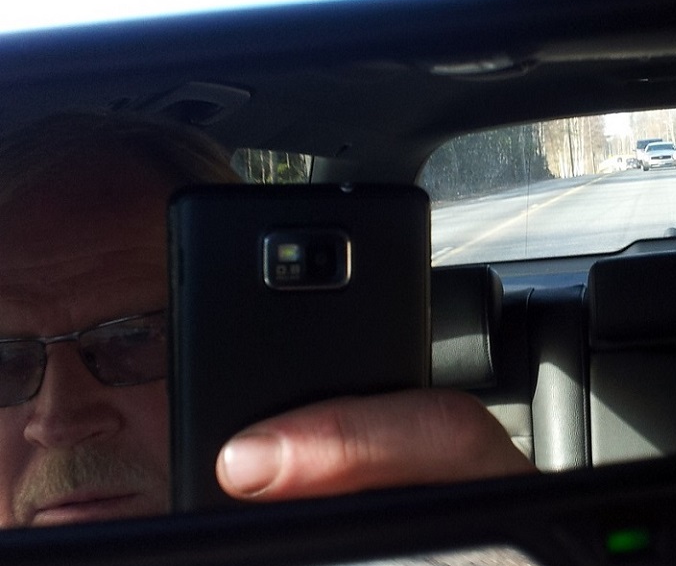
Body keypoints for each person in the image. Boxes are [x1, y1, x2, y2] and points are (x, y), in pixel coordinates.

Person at [0, 114, 531, 528]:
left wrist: (507, 543)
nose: (59, 422)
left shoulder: (356, 530)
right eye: (4, 362)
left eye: (136, 337)